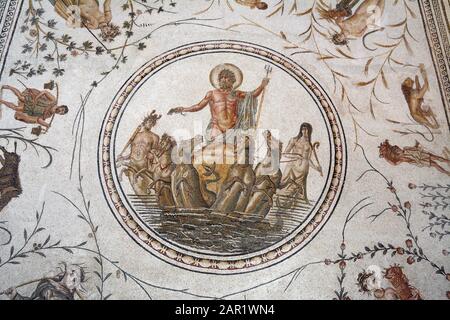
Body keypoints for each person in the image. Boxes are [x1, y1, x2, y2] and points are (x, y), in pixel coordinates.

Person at [168, 64, 269, 141]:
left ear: (232, 81)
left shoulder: (236, 94)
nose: (224, 80)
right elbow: (198, 106)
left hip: (233, 129)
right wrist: (184, 109)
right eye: (222, 78)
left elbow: (252, 95)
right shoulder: (212, 94)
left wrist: (262, 85)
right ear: (219, 80)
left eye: (227, 77)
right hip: (216, 127)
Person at [279, 123, 322, 203]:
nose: (304, 131)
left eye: (306, 130)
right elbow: (285, 154)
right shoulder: (294, 140)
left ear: (309, 131)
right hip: (292, 166)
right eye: (303, 129)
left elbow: (308, 160)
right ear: (301, 130)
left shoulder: (309, 145)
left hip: (303, 170)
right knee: (283, 185)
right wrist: (296, 156)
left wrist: (316, 168)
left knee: (293, 190)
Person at [0, 85, 68, 131]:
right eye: (62, 110)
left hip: (31, 109)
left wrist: (46, 124)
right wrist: (36, 98)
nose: (60, 112)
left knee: (16, 108)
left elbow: (39, 120)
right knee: (20, 97)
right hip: (33, 101)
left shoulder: (49, 115)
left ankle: (2, 101)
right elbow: (45, 92)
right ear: (61, 106)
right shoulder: (54, 100)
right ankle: (8, 87)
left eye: (61, 113)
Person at [4, 263, 86, 300]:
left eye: (75, 279)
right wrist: (15, 296)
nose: (72, 275)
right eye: (73, 271)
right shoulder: (48, 284)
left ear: (73, 288)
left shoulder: (64, 297)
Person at [379, 140, 450, 176]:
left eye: (397, 148)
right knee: (435, 164)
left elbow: (414, 148)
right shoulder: (401, 158)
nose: (398, 149)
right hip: (418, 161)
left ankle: (448, 161)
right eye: (396, 149)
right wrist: (385, 157)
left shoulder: (405, 148)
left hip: (421, 154)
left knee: (437, 158)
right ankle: (447, 172)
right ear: (395, 153)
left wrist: (416, 144)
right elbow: (394, 164)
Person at [401, 64, 439, 129]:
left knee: (434, 124)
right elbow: (426, 86)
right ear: (408, 84)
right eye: (407, 80)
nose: (408, 79)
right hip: (416, 114)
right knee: (434, 126)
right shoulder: (413, 93)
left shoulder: (412, 92)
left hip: (418, 112)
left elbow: (418, 88)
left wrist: (417, 79)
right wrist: (422, 71)